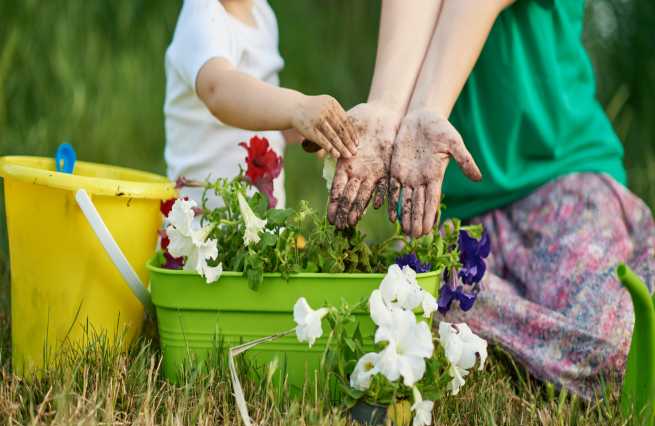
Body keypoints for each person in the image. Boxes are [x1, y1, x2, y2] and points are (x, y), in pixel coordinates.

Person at [329, 0, 655, 399]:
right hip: (457, 214)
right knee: (396, 301)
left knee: (619, 352)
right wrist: (384, 109)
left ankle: (473, 319)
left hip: (559, 182)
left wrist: (429, 111)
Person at [164, 0, 357, 208]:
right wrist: (296, 107)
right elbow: (217, 89)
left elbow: (257, 105)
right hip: (203, 223)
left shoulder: (262, 14)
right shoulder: (202, 14)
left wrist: (292, 126)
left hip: (259, 223)